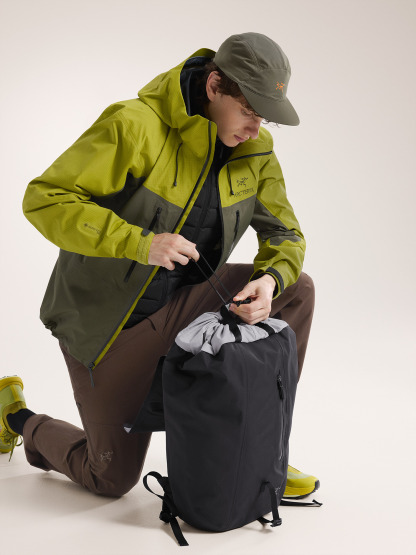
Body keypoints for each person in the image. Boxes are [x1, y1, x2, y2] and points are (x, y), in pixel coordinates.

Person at [0, 32, 318, 500]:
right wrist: (140, 243)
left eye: (264, 117)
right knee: (109, 477)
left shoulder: (255, 151)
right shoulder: (135, 125)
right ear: (214, 86)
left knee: (297, 288)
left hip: (189, 307)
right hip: (112, 329)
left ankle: (260, 452)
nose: (256, 129)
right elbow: (44, 199)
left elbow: (285, 234)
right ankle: (16, 417)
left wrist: (270, 280)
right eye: (249, 111)